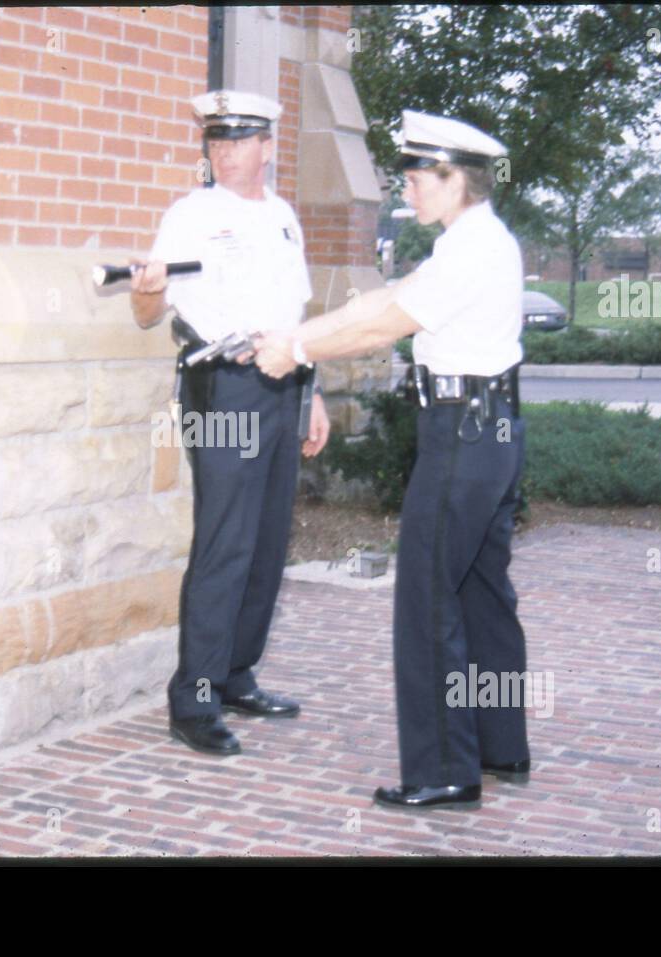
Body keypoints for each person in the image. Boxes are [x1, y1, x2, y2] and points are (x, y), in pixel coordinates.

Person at [253, 110, 531, 809]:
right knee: (481, 592)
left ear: (456, 179)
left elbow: (384, 322)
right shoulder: (474, 242)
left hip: (462, 432)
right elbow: (387, 298)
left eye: (419, 174)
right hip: (489, 426)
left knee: (429, 594)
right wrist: (302, 331)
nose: (408, 184)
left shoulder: (472, 249)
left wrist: (298, 346)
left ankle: (442, 771)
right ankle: (500, 747)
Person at [127, 89, 331, 756]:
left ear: (267, 147)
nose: (222, 150)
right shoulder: (190, 213)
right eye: (215, 139)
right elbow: (148, 314)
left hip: (283, 384)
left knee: (269, 538)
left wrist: (315, 394)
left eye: (237, 139)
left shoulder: (282, 215)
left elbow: (294, 309)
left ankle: (238, 672)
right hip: (223, 389)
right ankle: (194, 697)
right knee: (225, 539)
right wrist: (147, 285)